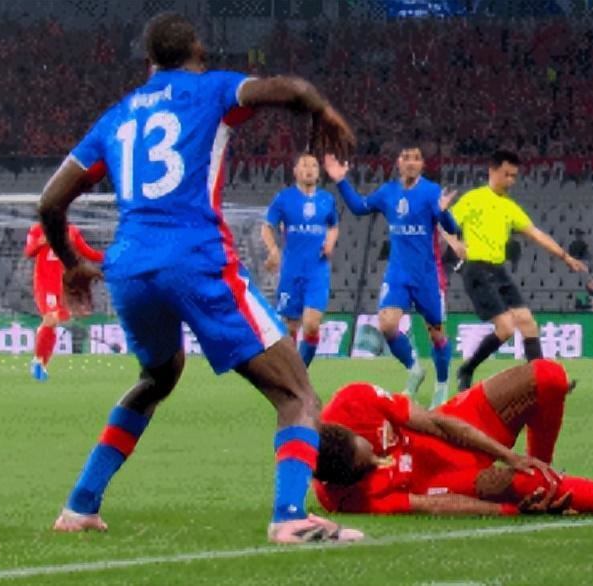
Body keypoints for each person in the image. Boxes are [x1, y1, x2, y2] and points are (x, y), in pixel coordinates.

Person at [36, 12, 362, 544]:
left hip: (129, 269)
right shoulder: (212, 89)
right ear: (199, 50)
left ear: (149, 61)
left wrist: (72, 264)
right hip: (195, 260)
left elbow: (50, 203)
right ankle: (290, 516)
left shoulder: (117, 117)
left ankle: (80, 505)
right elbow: (291, 89)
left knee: (157, 378)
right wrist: (322, 109)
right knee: (296, 393)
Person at [313, 360, 593, 517]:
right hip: (444, 482)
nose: (377, 458)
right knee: (533, 489)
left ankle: (546, 469)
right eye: (368, 467)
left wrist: (510, 456)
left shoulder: (354, 400)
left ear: (347, 431)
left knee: (548, 378)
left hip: (456, 429)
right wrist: (510, 511)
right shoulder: (346, 499)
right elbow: (431, 505)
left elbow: (438, 425)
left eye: (370, 450)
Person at [323, 149, 463, 406]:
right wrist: (341, 180)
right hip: (398, 272)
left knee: (437, 335)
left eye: (416, 158)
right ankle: (414, 369)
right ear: (399, 162)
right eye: (406, 158)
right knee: (387, 325)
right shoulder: (387, 192)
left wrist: (444, 212)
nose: (411, 163)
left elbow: (452, 228)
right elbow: (359, 207)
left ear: (422, 164)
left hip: (427, 275)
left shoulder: (431, 191)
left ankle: (442, 385)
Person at [448, 151, 588, 392]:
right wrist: (454, 243)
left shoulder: (509, 206)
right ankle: (467, 369)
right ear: (492, 171)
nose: (511, 181)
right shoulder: (473, 199)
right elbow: (443, 224)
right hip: (476, 268)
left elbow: (535, 233)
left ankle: (543, 382)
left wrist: (565, 257)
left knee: (528, 323)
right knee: (505, 328)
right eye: (507, 175)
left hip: (498, 270)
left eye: (514, 176)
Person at [260, 154, 338, 367]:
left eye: (314, 165)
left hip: (317, 270)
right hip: (291, 271)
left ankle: (301, 372)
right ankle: (293, 373)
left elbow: (333, 226)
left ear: (318, 172)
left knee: (312, 324)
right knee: (290, 327)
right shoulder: (284, 198)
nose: (309, 169)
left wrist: (330, 243)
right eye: (304, 165)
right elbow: (267, 227)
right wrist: (273, 250)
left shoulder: (326, 199)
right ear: (295, 171)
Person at [24, 222, 105, 381]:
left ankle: (41, 363)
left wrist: (110, 258)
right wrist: (41, 241)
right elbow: (29, 251)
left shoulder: (72, 231)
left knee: (53, 323)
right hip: (45, 283)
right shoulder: (37, 229)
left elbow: (87, 252)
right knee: (51, 317)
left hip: (64, 286)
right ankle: (38, 361)